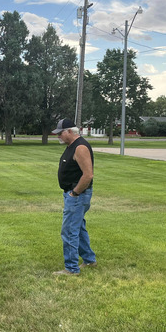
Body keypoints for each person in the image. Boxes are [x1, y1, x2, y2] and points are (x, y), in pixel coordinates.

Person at [52, 118, 97, 275]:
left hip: (78, 196)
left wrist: (75, 193)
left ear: (70, 131)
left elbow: (88, 175)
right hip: (74, 195)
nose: (58, 136)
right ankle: (89, 259)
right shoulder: (72, 146)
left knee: (69, 231)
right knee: (78, 228)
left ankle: (71, 268)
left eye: (60, 133)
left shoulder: (80, 147)